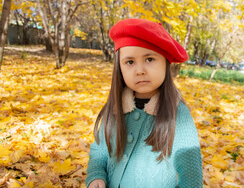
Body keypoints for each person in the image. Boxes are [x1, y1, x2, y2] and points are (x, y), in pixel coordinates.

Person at [85, 19, 203, 188]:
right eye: (130, 62)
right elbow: (100, 151)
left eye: (149, 59)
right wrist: (96, 175)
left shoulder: (178, 114)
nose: (140, 70)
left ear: (165, 62)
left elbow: (191, 175)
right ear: (120, 67)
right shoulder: (115, 108)